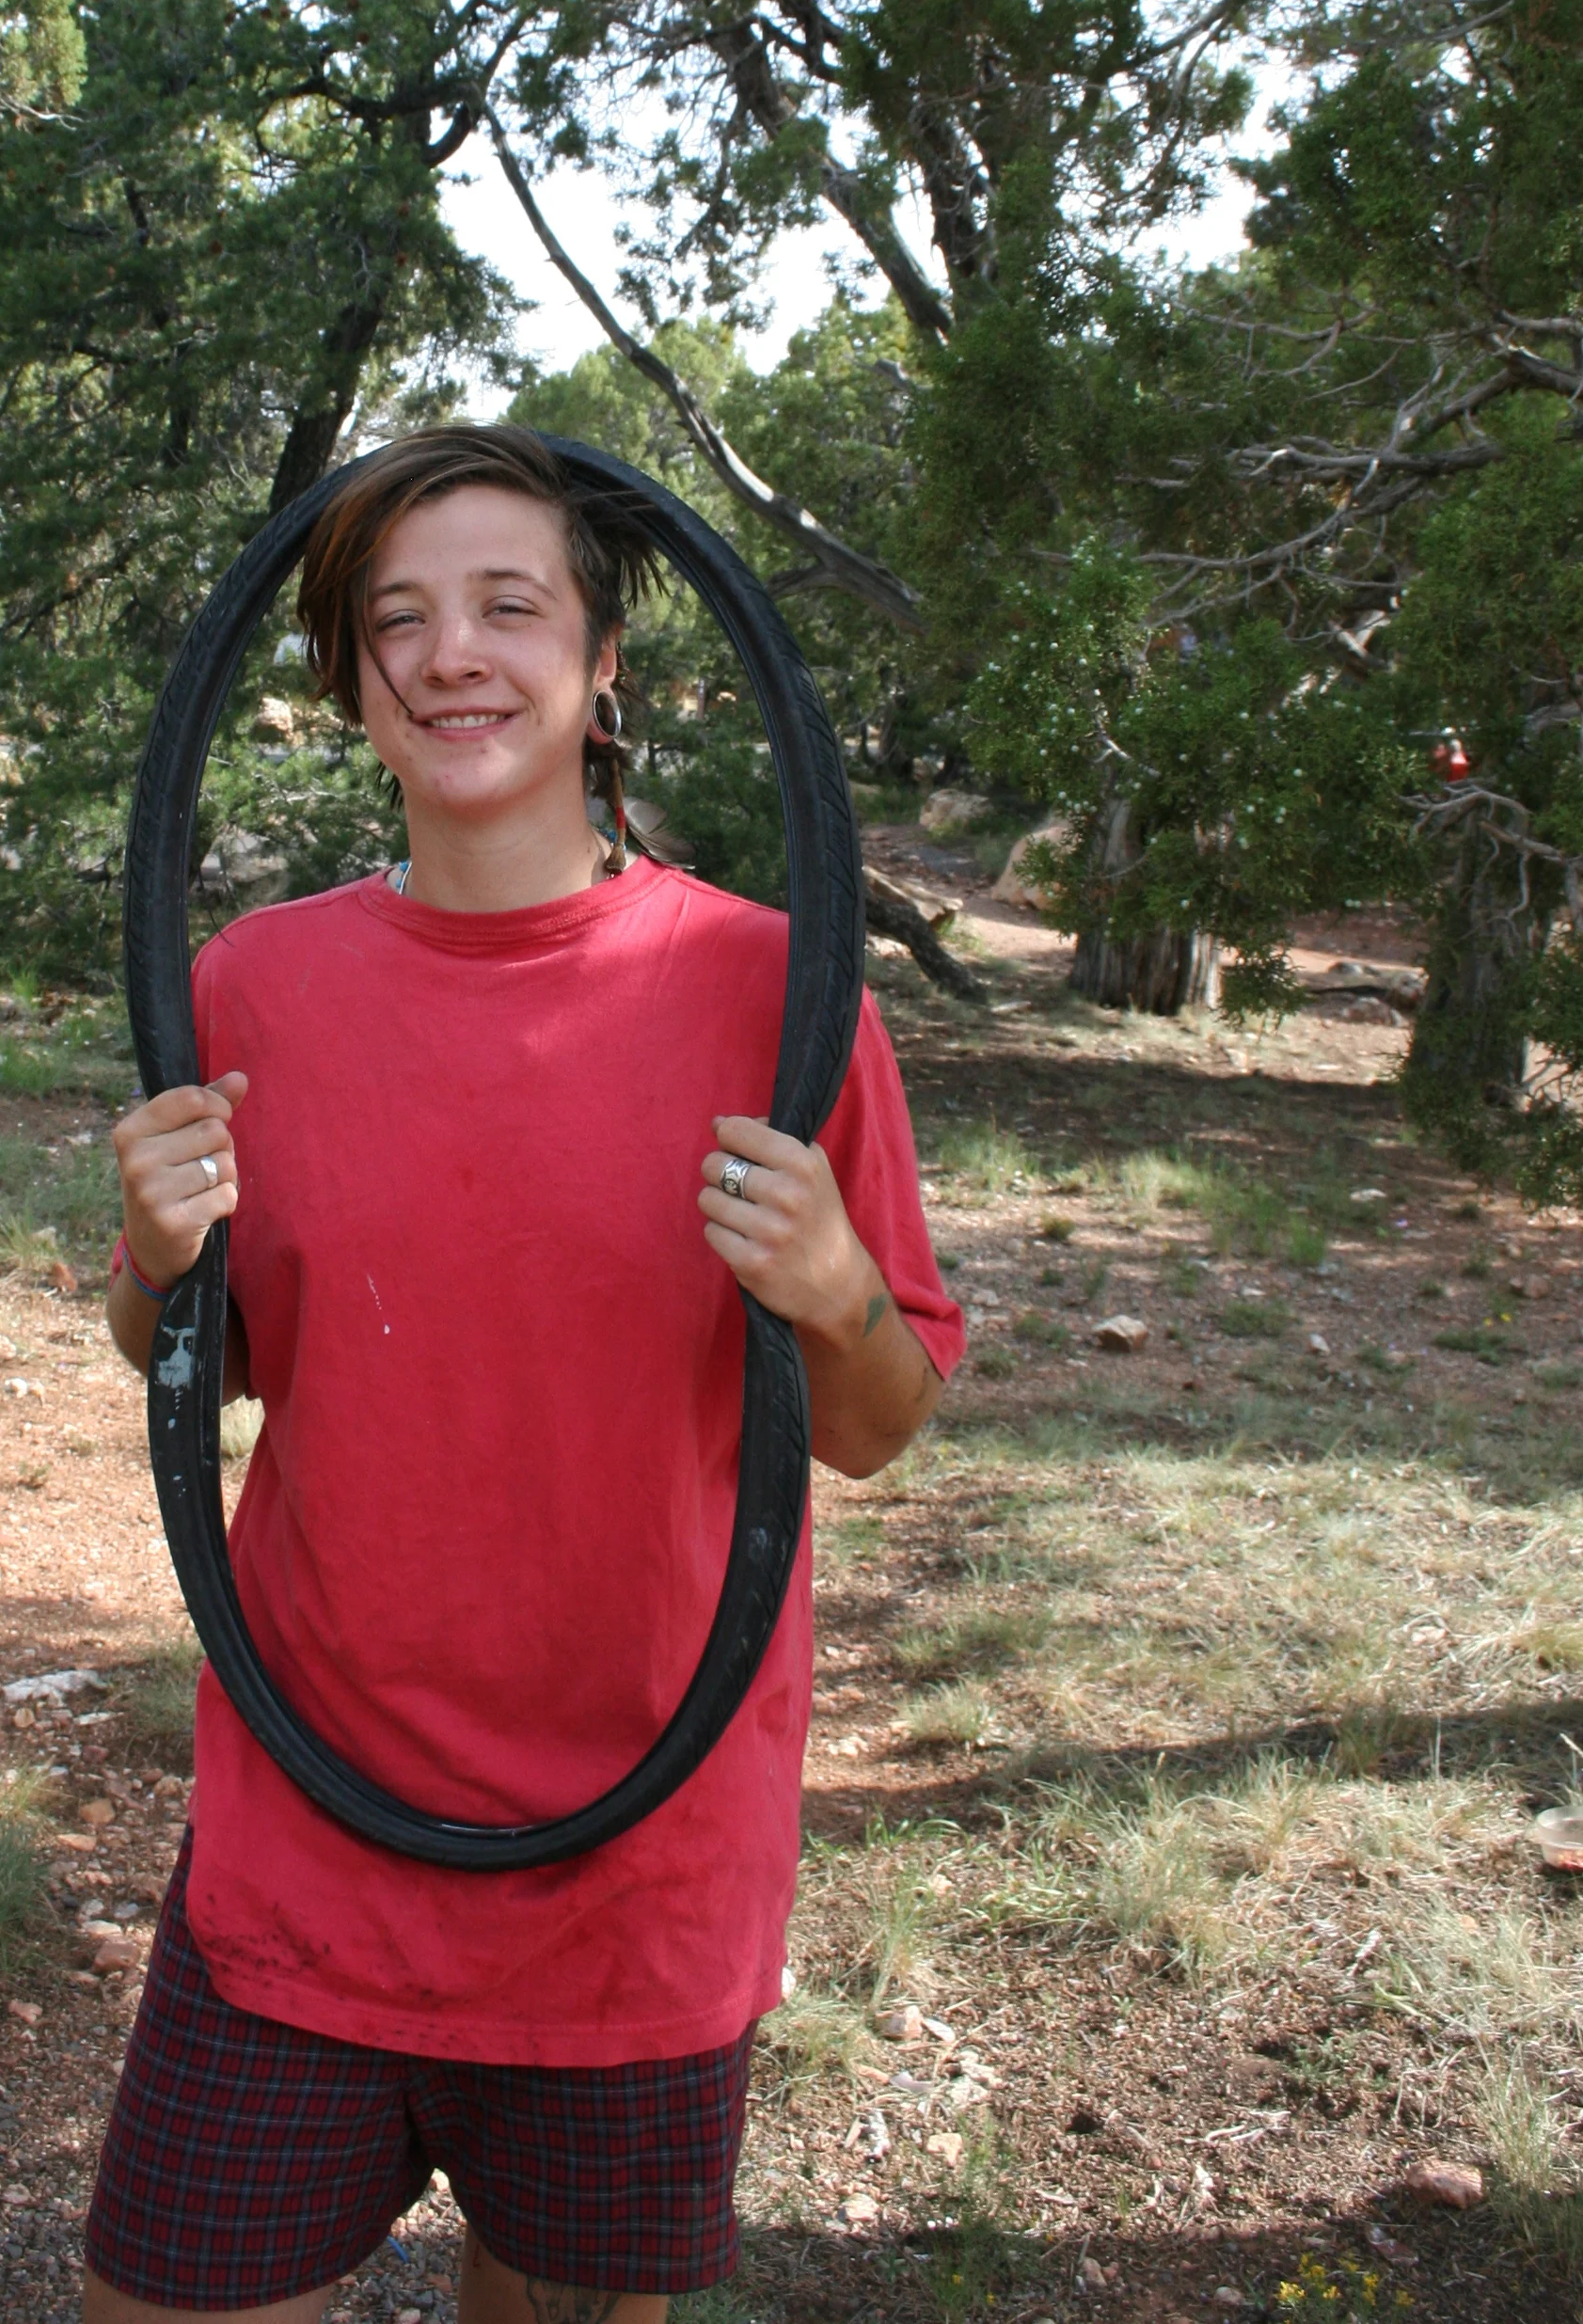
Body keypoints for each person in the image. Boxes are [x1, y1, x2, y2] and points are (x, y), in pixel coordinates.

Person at [86, 425, 962, 2324]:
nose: (451, 655)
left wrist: (831, 1289)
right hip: (306, 1845)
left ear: (603, 661)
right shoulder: (255, 987)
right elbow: (193, 1362)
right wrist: (154, 1262)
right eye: (395, 618)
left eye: (508, 604)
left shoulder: (779, 991)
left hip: (633, 1875)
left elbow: (880, 1425)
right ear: (348, 681)